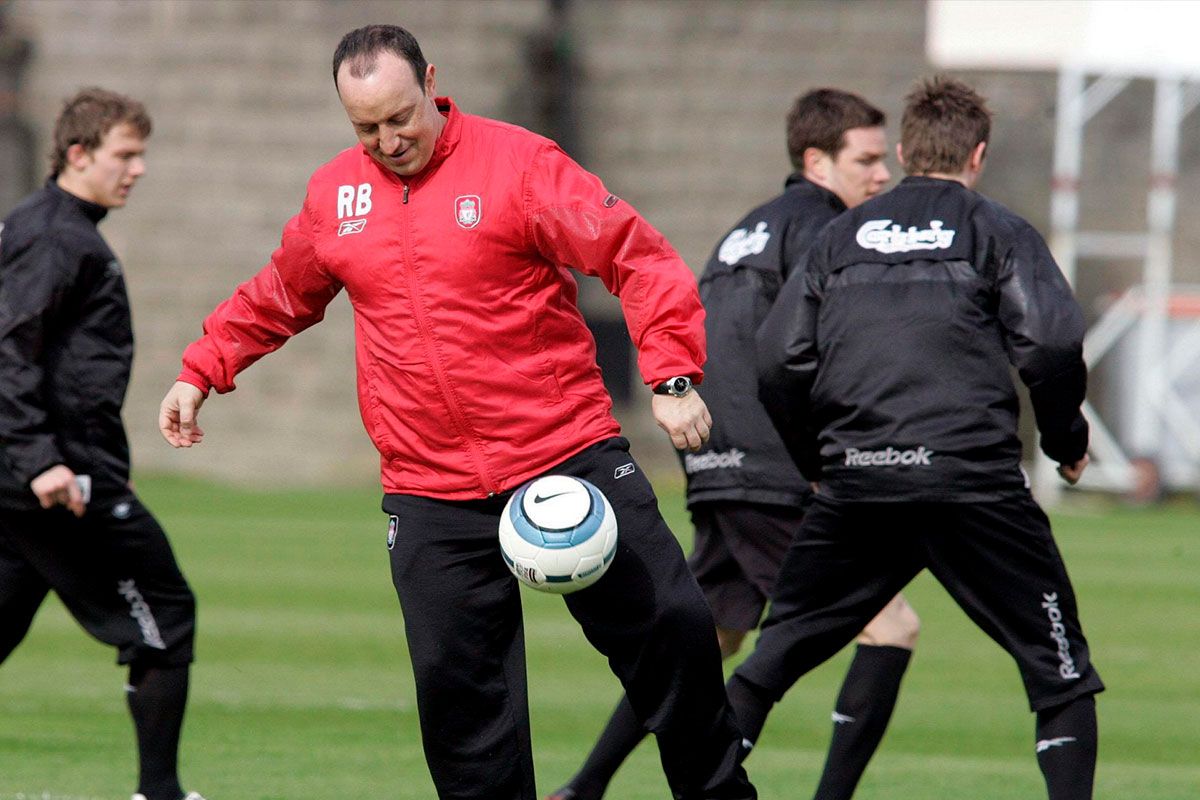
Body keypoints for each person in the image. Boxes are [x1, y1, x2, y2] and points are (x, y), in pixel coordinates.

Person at [157, 24, 755, 800]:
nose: (388, 139)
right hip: (429, 487)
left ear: (431, 82)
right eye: (365, 127)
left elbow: (634, 256)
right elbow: (281, 293)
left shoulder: (521, 164)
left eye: (400, 116)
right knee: (461, 708)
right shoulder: (336, 194)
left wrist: (671, 376)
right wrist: (202, 369)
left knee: (675, 634)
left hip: (565, 452)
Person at [725, 76, 1103, 800]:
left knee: (767, 663)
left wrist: (816, 461)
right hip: (974, 488)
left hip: (859, 483)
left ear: (901, 152)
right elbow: (1050, 344)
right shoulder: (998, 229)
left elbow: (778, 360)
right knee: (1060, 677)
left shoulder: (839, 237)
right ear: (979, 155)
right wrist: (1065, 440)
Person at [548, 89, 919, 800]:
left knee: (708, 639)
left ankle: (582, 787)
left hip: (718, 465)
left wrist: (711, 459)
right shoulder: (827, 231)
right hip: (776, 472)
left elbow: (715, 346)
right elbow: (820, 351)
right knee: (889, 627)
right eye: (867, 160)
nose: (881, 177)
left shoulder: (744, 232)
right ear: (816, 160)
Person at [0, 88, 204, 800]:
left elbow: (65, 370)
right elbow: (9, 352)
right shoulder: (58, 237)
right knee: (165, 616)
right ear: (78, 154)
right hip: (51, 483)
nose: (139, 168)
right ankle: (162, 792)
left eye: (141, 153)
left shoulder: (54, 227)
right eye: (126, 154)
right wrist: (44, 461)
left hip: (42, 475)